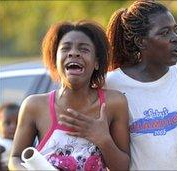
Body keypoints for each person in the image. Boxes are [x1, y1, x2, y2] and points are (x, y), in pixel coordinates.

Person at [8, 20, 130, 171]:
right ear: (55, 60)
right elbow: (15, 158)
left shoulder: (114, 103)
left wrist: (102, 138)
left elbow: (123, 167)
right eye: (65, 48)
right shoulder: (34, 106)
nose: (73, 53)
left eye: (84, 49)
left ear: (96, 62)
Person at [105, 0, 177, 170]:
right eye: (164, 33)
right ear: (141, 41)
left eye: (176, 30)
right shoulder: (112, 85)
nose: (175, 38)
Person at [0, 103, 19, 170]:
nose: (13, 127)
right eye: (7, 123)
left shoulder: (23, 143)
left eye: (17, 123)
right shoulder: (1, 143)